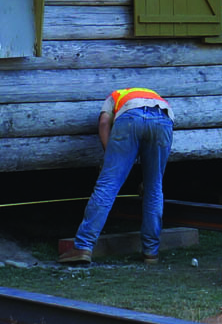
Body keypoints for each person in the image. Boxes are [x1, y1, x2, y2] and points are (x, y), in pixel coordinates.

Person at [59, 86, 173, 264]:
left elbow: (104, 123)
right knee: (154, 188)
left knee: (107, 185)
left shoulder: (114, 96)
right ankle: (151, 252)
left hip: (130, 118)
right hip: (164, 118)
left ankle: (83, 247)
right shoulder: (153, 95)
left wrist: (109, 157)